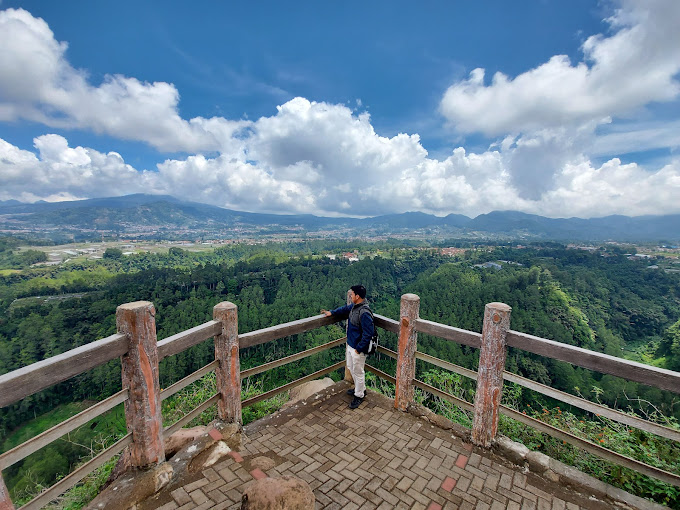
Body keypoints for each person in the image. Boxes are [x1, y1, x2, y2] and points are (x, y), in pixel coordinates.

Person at [321, 285, 375, 409]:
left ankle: (359, 395)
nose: (350, 296)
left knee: (358, 371)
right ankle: (359, 389)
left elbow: (368, 333)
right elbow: (344, 309)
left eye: (352, 294)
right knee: (351, 367)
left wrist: (359, 348)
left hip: (357, 348)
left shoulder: (364, 312)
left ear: (357, 296)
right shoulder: (354, 307)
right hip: (351, 345)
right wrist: (332, 312)